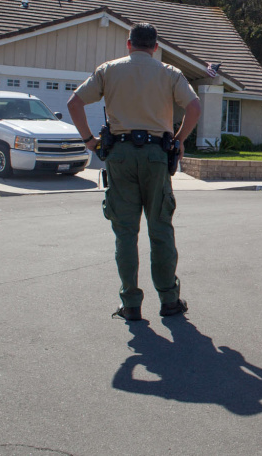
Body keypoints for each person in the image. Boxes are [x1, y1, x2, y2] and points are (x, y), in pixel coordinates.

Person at [68, 23, 202, 322]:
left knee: (125, 233)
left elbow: (74, 102)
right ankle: (169, 300)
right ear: (155, 46)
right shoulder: (170, 73)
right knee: (161, 230)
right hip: (157, 155)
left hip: (120, 155)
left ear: (129, 44)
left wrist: (90, 141)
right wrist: (178, 141)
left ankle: (130, 304)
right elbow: (194, 107)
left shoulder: (108, 70)